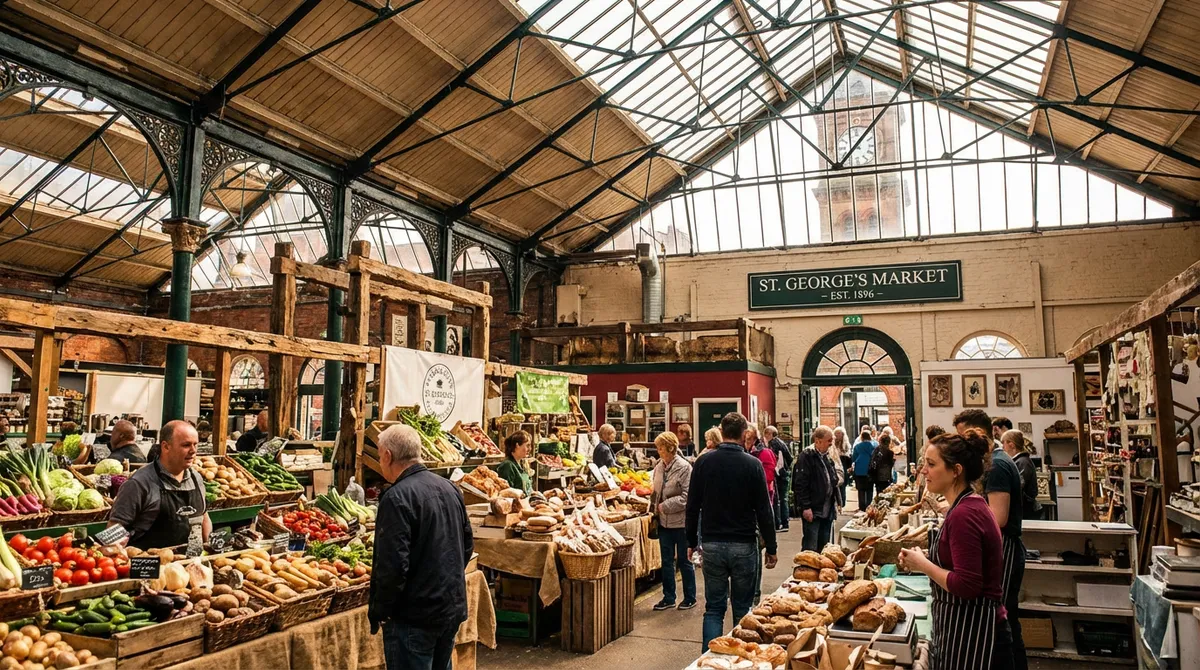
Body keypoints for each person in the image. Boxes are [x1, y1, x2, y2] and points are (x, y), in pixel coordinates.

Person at [898, 430, 1012, 670]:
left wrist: (923, 564)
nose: (923, 471)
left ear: (956, 470)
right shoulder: (967, 505)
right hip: (967, 626)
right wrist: (926, 556)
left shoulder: (964, 514)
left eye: (931, 464)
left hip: (974, 632)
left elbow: (967, 585)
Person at [370, 424, 473, 670]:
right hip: (449, 607)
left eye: (379, 455)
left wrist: (380, 610)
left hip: (414, 616)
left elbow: (393, 566)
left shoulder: (396, 497)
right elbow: (466, 545)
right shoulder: (449, 488)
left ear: (387, 456)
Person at [686, 412, 777, 649]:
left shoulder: (704, 462)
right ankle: (740, 658)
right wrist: (772, 546)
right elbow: (764, 510)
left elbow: (692, 505)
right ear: (744, 434)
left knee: (714, 608)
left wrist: (691, 542)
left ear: (722, 432)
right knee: (742, 609)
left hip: (713, 544)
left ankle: (709, 658)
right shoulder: (753, 464)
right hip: (744, 544)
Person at [955, 409, 1026, 670]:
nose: (963, 444)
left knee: (1002, 620)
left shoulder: (997, 465)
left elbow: (998, 518)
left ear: (980, 434)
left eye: (965, 437)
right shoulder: (993, 463)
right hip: (1001, 546)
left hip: (1004, 547)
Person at [108, 421, 211, 550]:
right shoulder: (139, 483)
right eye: (186, 445)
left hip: (189, 565)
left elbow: (203, 515)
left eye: (196, 444)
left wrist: (209, 547)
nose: (193, 451)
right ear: (165, 446)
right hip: (149, 566)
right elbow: (115, 526)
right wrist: (114, 552)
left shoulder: (196, 479)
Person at [651, 431, 696, 611]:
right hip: (663, 523)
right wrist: (652, 507)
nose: (658, 451)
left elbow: (687, 497)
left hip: (681, 523)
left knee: (684, 561)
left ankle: (690, 597)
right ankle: (669, 597)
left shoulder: (685, 468)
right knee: (666, 561)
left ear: (670, 448)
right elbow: (655, 491)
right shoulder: (658, 467)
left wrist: (664, 506)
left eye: (661, 448)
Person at [794, 426, 841, 551]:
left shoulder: (826, 456)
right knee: (811, 547)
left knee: (824, 547)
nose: (831, 443)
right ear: (818, 441)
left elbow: (832, 479)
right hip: (814, 510)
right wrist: (806, 507)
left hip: (827, 510)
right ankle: (807, 570)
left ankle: (821, 570)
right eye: (828, 440)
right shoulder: (806, 457)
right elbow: (800, 484)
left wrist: (837, 501)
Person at [1002, 430, 1041, 521]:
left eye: (1004, 443)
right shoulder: (1018, 461)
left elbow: (1018, 486)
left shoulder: (1023, 462)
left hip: (1026, 511)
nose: (1003, 447)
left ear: (1011, 444)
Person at [765, 426, 793, 532]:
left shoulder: (773, 444)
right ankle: (785, 522)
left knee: (779, 499)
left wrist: (777, 471)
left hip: (780, 474)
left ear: (771, 434)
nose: (765, 436)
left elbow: (775, 460)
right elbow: (789, 458)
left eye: (766, 434)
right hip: (785, 473)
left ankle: (781, 523)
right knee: (783, 498)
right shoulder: (782, 443)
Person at [746, 426, 776, 509]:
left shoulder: (765, 453)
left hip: (763, 494)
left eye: (749, 439)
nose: (746, 442)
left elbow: (768, 477)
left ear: (755, 440)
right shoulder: (746, 452)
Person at [495, 430, 532, 495]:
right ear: (517, 445)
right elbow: (506, 493)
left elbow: (529, 489)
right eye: (527, 446)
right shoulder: (507, 466)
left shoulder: (523, 464)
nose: (530, 449)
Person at [852, 428, 876, 510]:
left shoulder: (857, 446)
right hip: (870, 470)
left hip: (859, 470)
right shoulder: (873, 446)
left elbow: (854, 458)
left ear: (861, 437)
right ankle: (868, 505)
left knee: (861, 489)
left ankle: (861, 506)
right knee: (870, 489)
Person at [870, 434, 896, 500]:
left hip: (877, 474)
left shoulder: (876, 450)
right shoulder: (890, 452)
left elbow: (872, 460)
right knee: (886, 493)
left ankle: (879, 505)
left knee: (879, 492)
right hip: (886, 475)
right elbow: (891, 464)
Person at [831, 427, 851, 511]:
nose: (837, 435)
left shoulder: (845, 445)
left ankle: (842, 501)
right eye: (836, 433)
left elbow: (849, 456)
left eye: (839, 433)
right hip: (834, 465)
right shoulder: (831, 444)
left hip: (843, 464)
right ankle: (836, 501)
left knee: (843, 484)